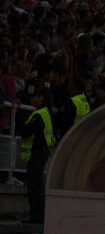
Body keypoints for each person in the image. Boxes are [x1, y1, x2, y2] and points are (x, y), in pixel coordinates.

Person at [21, 90, 56, 222]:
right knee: (37, 184)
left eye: (35, 96)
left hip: (37, 153)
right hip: (42, 152)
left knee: (34, 185)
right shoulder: (46, 113)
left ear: (41, 98)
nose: (32, 98)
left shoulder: (39, 115)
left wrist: (22, 124)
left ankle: (37, 215)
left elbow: (25, 131)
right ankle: (39, 214)